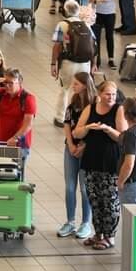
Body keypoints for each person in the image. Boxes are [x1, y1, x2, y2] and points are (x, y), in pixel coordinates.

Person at [73, 80, 127, 251]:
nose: (111, 97)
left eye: (113, 94)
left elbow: (123, 138)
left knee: (109, 201)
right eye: (107, 94)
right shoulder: (90, 108)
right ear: (99, 95)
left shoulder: (119, 110)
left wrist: (108, 129)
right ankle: (99, 233)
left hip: (110, 162)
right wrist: (89, 127)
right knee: (94, 199)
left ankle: (109, 236)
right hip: (91, 160)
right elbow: (77, 131)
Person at [57, 72, 95, 240]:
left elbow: (94, 129)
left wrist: (83, 146)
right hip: (71, 149)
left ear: (86, 85)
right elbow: (67, 123)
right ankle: (70, 221)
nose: (73, 86)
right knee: (69, 186)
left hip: (87, 151)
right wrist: (71, 144)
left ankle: (86, 222)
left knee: (85, 188)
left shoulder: (94, 105)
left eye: (77, 84)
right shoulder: (73, 103)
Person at [51, 0, 97, 126]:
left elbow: (57, 45)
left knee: (65, 89)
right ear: (78, 11)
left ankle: (60, 118)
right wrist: (93, 64)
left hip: (68, 63)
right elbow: (93, 45)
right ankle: (82, 116)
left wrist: (53, 64)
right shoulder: (86, 25)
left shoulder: (62, 25)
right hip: (85, 64)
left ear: (65, 11)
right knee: (82, 90)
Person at [0, 68, 36, 159]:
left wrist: (15, 138)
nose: (7, 86)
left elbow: (28, 124)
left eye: (11, 83)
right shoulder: (1, 93)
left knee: (14, 172)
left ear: (19, 82)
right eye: (5, 82)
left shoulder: (28, 98)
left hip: (18, 145)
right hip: (0, 142)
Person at [86, 0, 118, 69]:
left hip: (109, 12)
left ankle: (111, 58)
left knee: (109, 36)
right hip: (96, 12)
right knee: (96, 36)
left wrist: (97, 0)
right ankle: (97, 58)